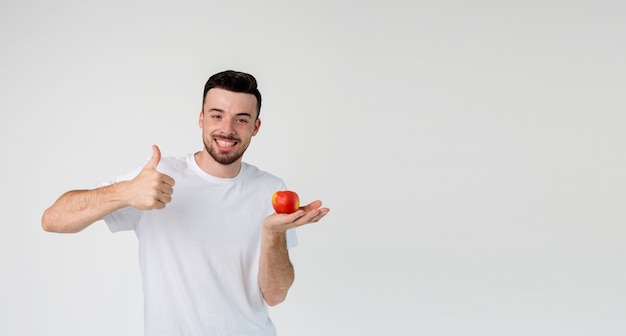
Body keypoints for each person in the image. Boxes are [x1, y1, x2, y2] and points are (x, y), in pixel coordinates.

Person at [41, 70, 330, 335]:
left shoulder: (270, 189)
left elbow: (275, 295)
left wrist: (272, 234)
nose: (227, 129)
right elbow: (52, 220)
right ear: (201, 118)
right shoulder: (158, 175)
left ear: (255, 127)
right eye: (217, 115)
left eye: (241, 119)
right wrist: (125, 192)